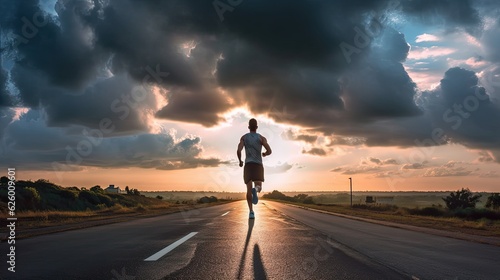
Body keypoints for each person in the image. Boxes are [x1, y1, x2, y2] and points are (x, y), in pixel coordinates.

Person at [237, 118, 272, 219]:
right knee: (259, 188)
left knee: (248, 190)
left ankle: (251, 212)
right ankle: (255, 190)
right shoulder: (261, 138)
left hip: (248, 165)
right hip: (258, 165)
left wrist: (240, 161)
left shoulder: (244, 137)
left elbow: (239, 150)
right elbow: (269, 150)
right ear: (256, 127)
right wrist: (264, 154)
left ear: (248, 127)